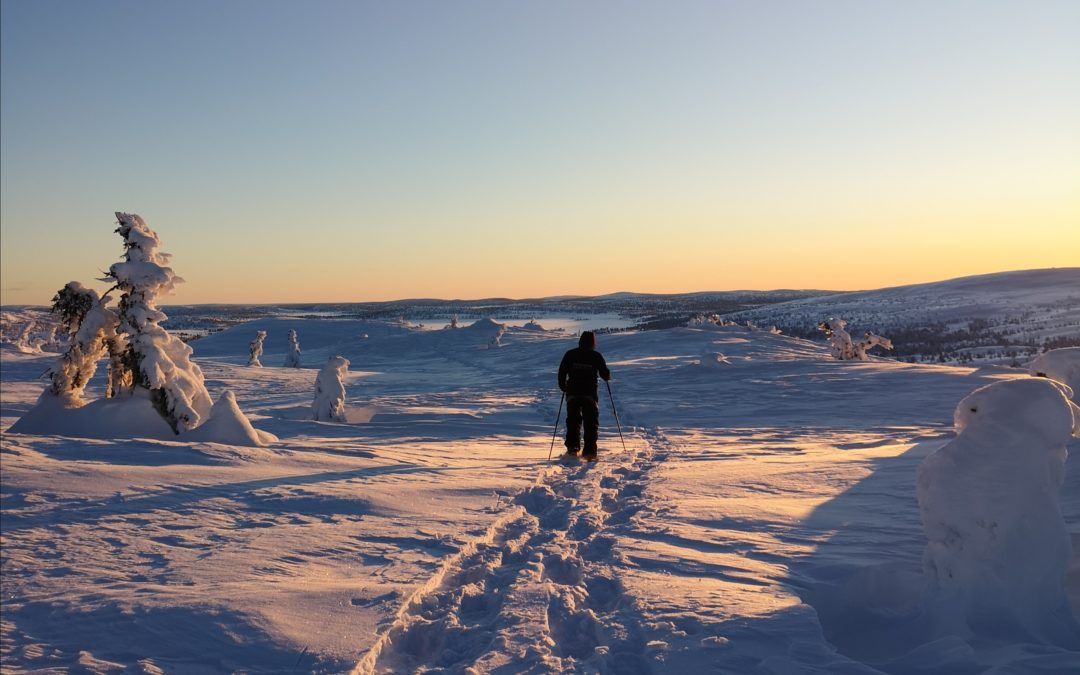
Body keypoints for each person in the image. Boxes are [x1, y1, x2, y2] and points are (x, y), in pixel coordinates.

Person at [558, 331, 611, 459]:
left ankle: (572, 448)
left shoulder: (570, 354)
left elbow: (562, 371)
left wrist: (563, 385)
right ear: (593, 342)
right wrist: (607, 374)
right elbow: (605, 375)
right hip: (590, 394)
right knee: (591, 422)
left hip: (573, 393)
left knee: (573, 420)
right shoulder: (596, 356)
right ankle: (590, 451)